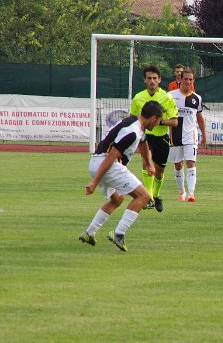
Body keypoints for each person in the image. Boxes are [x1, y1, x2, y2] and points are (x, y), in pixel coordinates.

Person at [79, 100, 164, 251]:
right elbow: (111, 156)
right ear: (153, 119)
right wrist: (94, 182)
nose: (158, 124)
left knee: (117, 199)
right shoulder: (132, 132)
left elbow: (143, 143)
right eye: (158, 121)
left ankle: (89, 233)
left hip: (95, 162)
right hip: (107, 165)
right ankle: (119, 234)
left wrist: (149, 163)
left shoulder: (136, 124)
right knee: (143, 197)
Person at [129, 65, 178, 211]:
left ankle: (156, 195)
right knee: (147, 161)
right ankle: (148, 197)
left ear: (159, 80)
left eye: (155, 78)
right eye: (149, 78)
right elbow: (132, 118)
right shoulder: (138, 98)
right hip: (146, 136)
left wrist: (158, 122)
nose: (152, 81)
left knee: (159, 171)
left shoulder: (167, 98)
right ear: (145, 80)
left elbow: (175, 122)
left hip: (162, 138)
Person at [169, 67, 207, 202]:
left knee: (191, 162)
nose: (188, 82)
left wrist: (204, 135)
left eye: (190, 79)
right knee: (178, 164)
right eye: (186, 79)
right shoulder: (171, 96)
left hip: (191, 135)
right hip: (175, 135)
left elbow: (199, 117)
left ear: (193, 81)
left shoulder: (197, 98)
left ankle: (191, 194)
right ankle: (182, 191)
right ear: (181, 79)